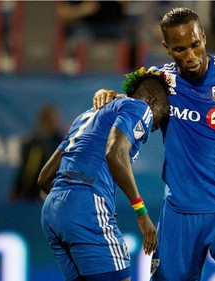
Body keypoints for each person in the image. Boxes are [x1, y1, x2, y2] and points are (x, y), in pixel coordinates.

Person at [93, 7, 215, 281]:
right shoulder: (160, 83)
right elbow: (132, 107)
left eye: (195, 45)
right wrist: (110, 97)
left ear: (203, 37)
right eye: (180, 49)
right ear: (167, 48)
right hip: (180, 213)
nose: (191, 56)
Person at [38, 68, 170, 281]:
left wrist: (74, 205)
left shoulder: (86, 116)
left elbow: (44, 177)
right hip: (85, 205)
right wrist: (141, 211)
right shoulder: (140, 108)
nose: (158, 126)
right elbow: (115, 153)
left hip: (52, 211)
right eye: (163, 114)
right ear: (154, 102)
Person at [9, 104, 62, 202]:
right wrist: (20, 190)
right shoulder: (35, 142)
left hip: (53, 192)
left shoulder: (58, 139)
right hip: (33, 194)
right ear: (46, 120)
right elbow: (30, 169)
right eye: (55, 118)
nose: (58, 121)